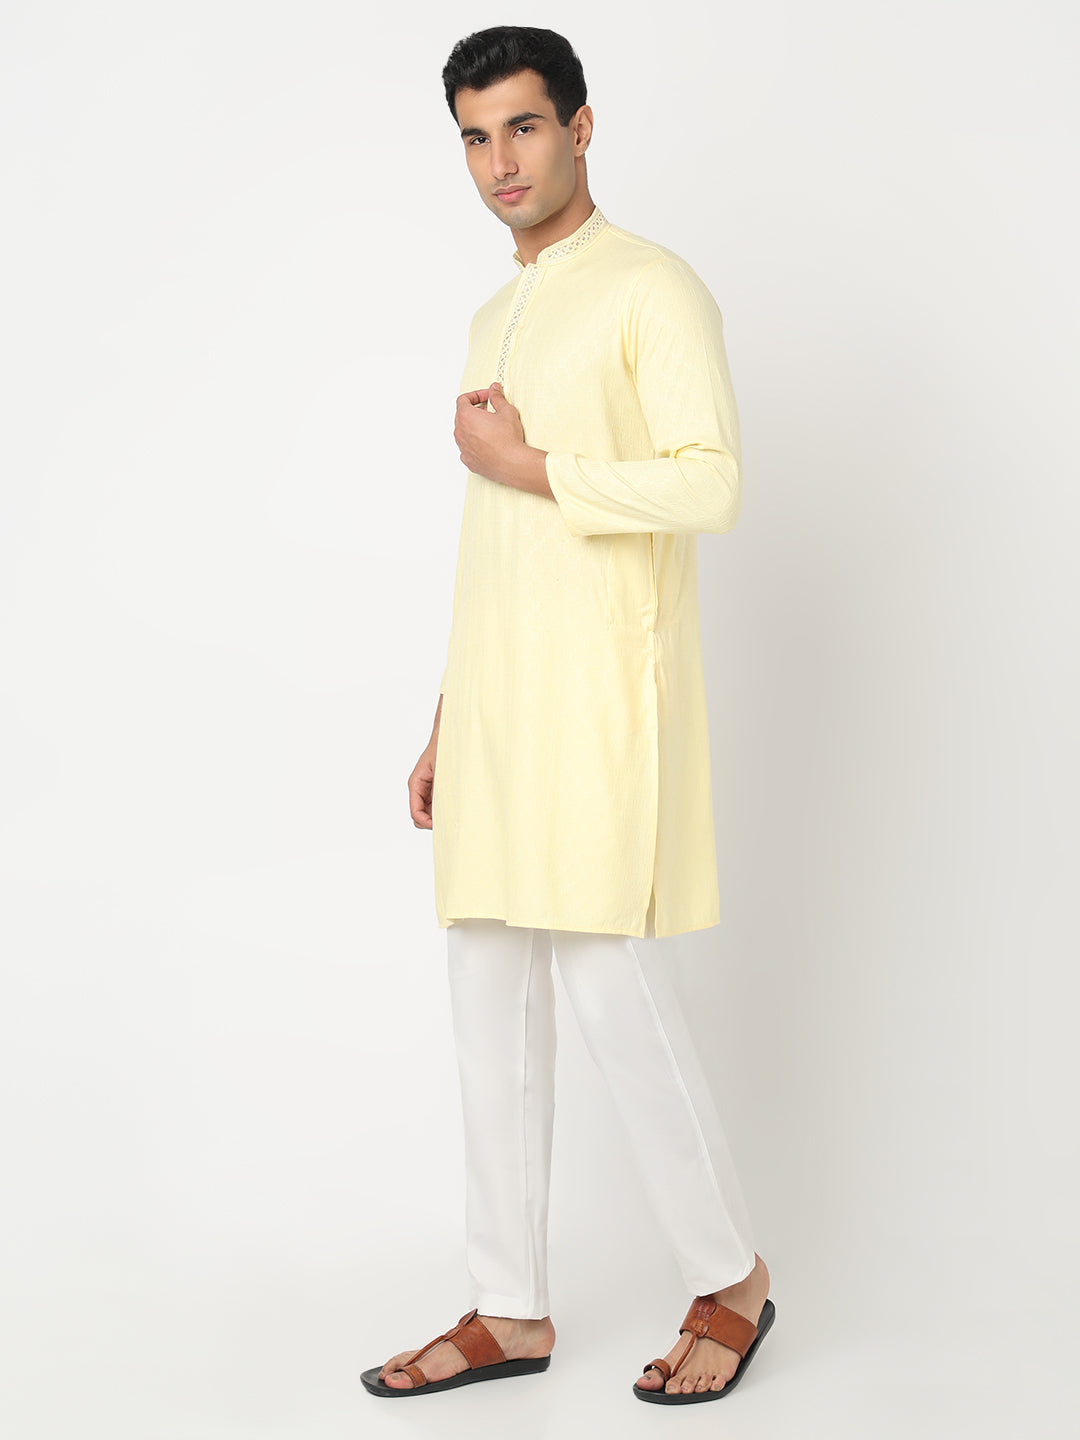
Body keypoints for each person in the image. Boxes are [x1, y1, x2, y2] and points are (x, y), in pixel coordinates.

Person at [361, 25, 775, 1405]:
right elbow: (496, 544)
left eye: (524, 127)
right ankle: (510, 1306)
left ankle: (731, 1278)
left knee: (608, 981)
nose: (501, 163)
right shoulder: (496, 316)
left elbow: (710, 482)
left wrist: (529, 459)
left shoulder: (654, 287)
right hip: (497, 702)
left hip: (603, 693)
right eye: (476, 138)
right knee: (486, 989)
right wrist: (446, 715)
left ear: (581, 127)